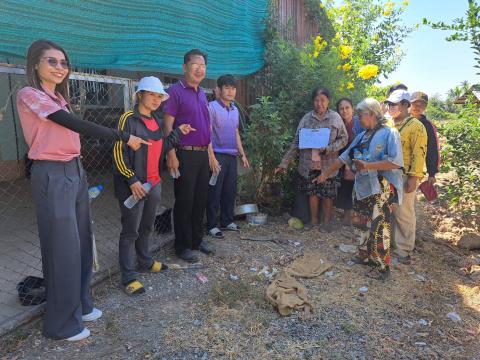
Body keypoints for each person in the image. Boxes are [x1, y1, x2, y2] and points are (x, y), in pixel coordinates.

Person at [16, 40, 148, 341]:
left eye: (63, 62)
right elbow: (71, 124)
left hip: (75, 170)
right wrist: (122, 136)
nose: (60, 67)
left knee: (81, 244)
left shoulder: (58, 98)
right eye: (52, 61)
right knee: (62, 249)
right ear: (35, 64)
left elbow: (71, 124)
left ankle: (81, 305)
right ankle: (61, 325)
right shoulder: (30, 95)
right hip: (51, 173)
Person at [113, 77, 195, 295]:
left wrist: (178, 132)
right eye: (152, 94)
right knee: (130, 231)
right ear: (140, 94)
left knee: (146, 226)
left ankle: (145, 261)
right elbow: (118, 152)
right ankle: (128, 276)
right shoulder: (128, 119)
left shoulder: (157, 122)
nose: (157, 99)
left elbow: (162, 147)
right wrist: (132, 180)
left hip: (154, 184)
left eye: (160, 96)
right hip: (134, 186)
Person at [315, 98, 404, 280]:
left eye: (361, 115)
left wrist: (368, 165)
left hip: (381, 188)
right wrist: (324, 174)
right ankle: (364, 255)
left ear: (372, 114)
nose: (358, 118)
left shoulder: (390, 133)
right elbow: (343, 159)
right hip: (363, 187)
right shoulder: (361, 136)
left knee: (379, 227)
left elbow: (395, 162)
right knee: (360, 223)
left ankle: (381, 266)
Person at [163, 49, 216, 262]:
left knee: (200, 200)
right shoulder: (175, 91)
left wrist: (211, 155)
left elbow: (207, 127)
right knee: (184, 201)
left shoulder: (202, 93)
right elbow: (167, 125)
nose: (200, 69)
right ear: (185, 67)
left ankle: (197, 239)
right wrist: (170, 153)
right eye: (195, 64)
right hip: (183, 154)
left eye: (203, 65)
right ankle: (182, 246)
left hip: (203, 155)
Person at [276, 87, 348, 232]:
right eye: (316, 100)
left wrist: (329, 148)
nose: (319, 103)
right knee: (312, 193)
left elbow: (344, 139)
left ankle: (326, 223)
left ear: (328, 101)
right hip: (308, 164)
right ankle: (314, 221)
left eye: (323, 100)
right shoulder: (306, 118)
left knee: (328, 195)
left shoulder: (335, 118)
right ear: (312, 102)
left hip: (328, 165)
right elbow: (296, 142)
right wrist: (284, 163)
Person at [386, 90, 427, 262]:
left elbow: (419, 153)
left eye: (394, 104)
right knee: (389, 209)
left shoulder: (416, 126)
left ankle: (404, 249)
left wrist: (413, 177)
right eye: (389, 104)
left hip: (405, 176)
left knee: (404, 212)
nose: (390, 107)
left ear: (405, 105)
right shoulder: (388, 125)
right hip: (387, 174)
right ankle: (389, 243)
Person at [206, 75, 249, 238]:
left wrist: (242, 154)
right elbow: (207, 134)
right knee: (214, 191)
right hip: (217, 155)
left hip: (231, 156)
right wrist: (211, 157)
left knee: (230, 191)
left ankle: (227, 221)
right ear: (219, 89)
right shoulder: (211, 107)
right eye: (227, 88)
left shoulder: (235, 109)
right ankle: (211, 225)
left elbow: (236, 132)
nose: (231, 91)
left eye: (233, 88)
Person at [335, 98, 360, 226]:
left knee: (353, 184)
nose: (344, 111)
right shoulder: (338, 123)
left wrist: (350, 164)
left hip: (358, 158)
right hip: (342, 157)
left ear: (352, 108)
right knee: (345, 184)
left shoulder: (359, 122)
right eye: (341, 108)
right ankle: (347, 212)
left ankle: (354, 214)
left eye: (347, 108)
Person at [409, 92, 440, 185]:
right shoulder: (400, 120)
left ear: (425, 108)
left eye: (422, 105)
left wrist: (431, 173)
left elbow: (432, 149)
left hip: (414, 170)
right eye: (415, 103)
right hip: (395, 167)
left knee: (408, 196)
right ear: (409, 104)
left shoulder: (428, 126)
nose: (418, 107)